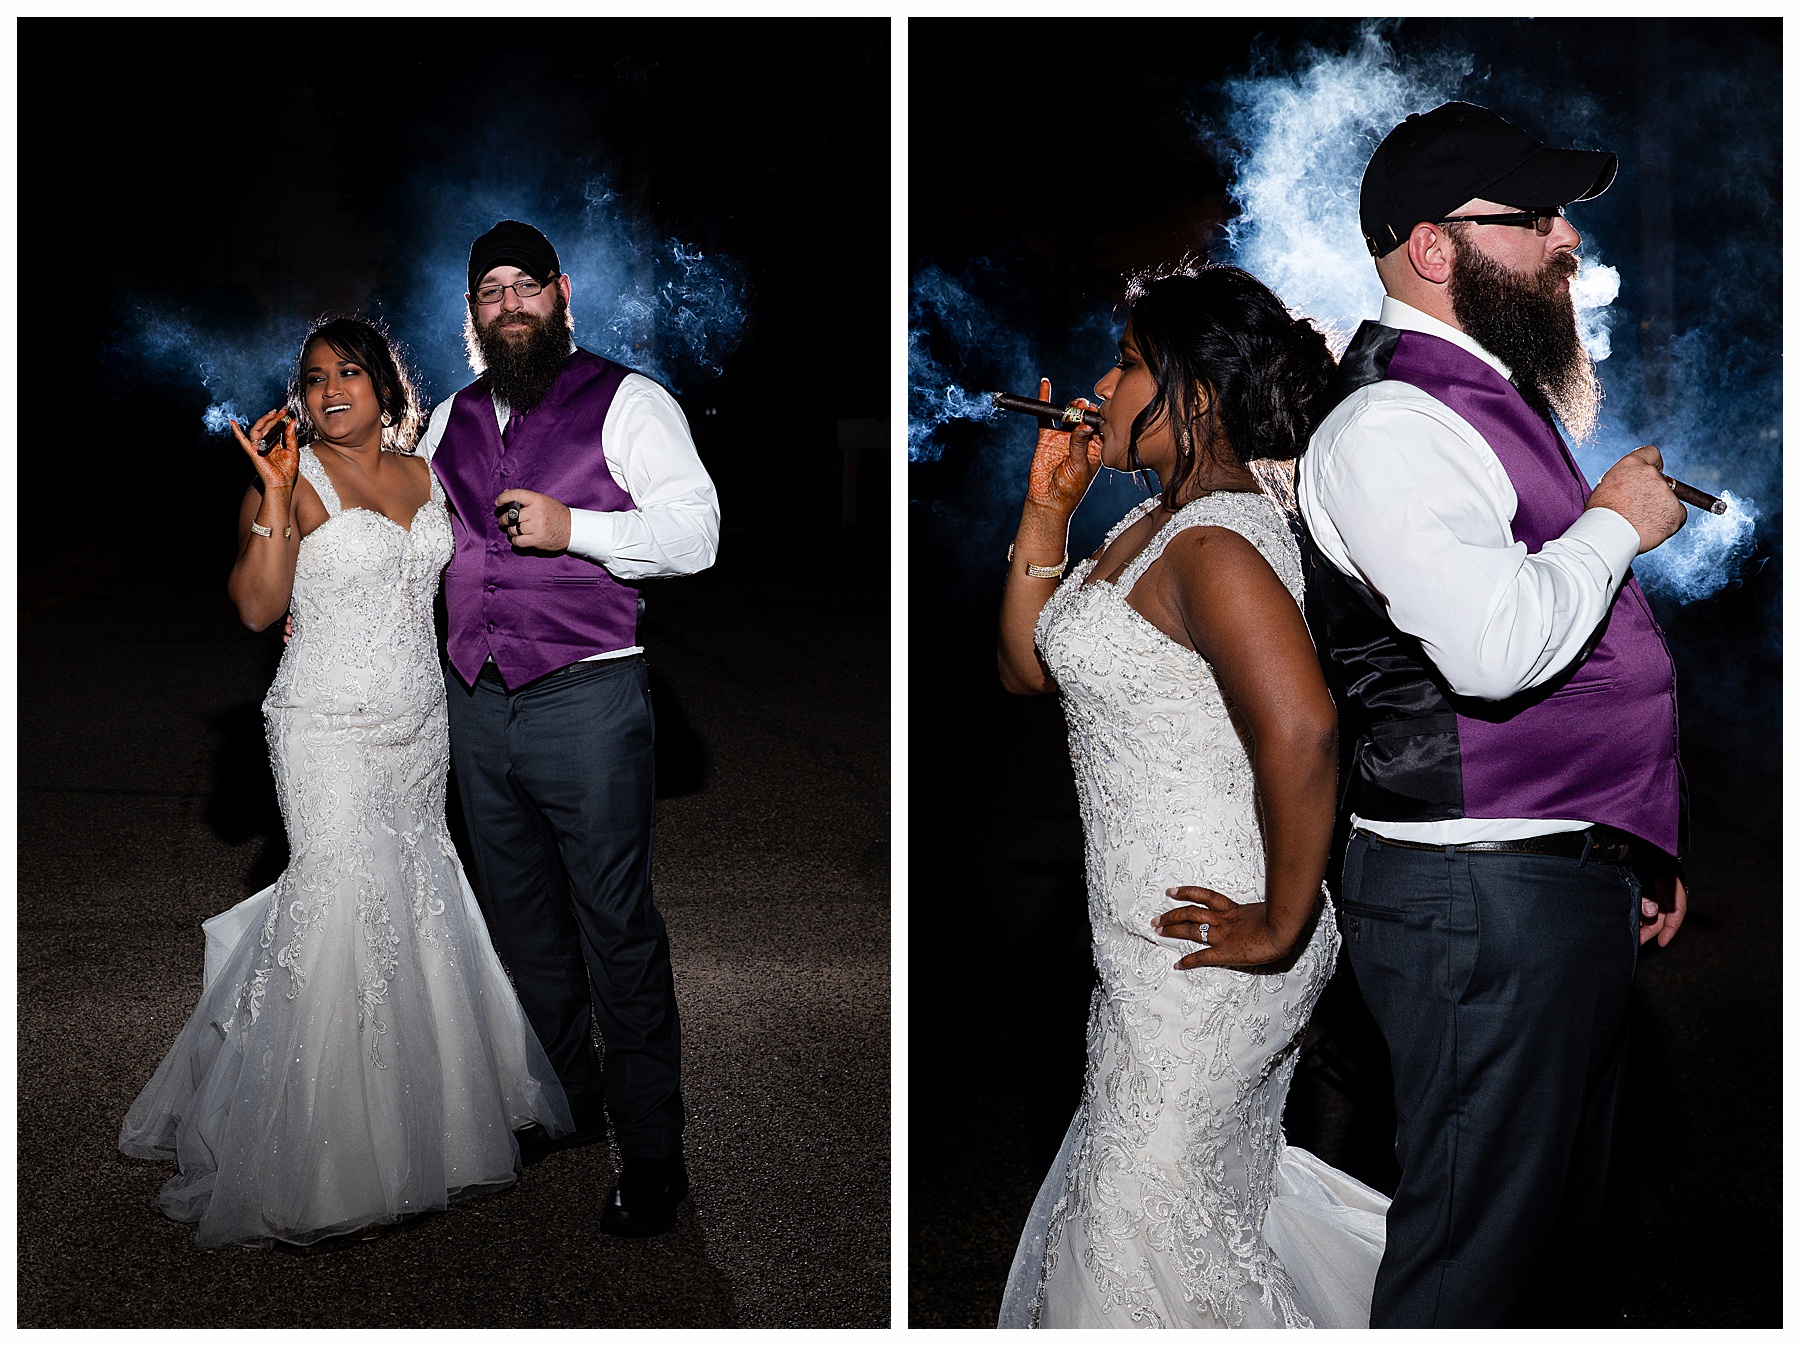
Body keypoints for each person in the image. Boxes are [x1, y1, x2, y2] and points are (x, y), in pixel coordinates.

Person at [1295, 102, 1689, 1327]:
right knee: (1474, 1265)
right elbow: (1497, 649)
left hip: (1539, 879)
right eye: (1533, 218)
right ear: (1433, 246)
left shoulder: (1476, 400)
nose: (1566, 239)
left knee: (1544, 1252)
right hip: (1479, 900)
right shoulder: (1388, 420)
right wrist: (1618, 518)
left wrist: (1623, 832)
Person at [119, 317, 573, 1249]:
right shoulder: (296, 478)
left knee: (413, 897)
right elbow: (257, 607)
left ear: (384, 387)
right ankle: (318, 1158)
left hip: (419, 726)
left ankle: (424, 1131)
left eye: (350, 373)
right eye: (315, 376)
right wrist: (275, 497)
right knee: (335, 902)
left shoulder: (424, 471)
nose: (331, 390)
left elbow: (471, 570)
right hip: (325, 724)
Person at [996, 263, 1390, 1329]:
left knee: (1137, 1219)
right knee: (1180, 1215)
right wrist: (1047, 512)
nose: (1102, 382)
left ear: (1197, 394)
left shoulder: (1216, 540)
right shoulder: (1155, 525)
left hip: (1210, 954)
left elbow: (1305, 731)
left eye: (1128, 362)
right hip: (1145, 953)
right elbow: (1029, 667)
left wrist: (1280, 922)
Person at [415, 220, 719, 1238]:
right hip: (476, 701)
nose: (508, 305)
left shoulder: (628, 399)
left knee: (616, 929)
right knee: (525, 929)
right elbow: (416, 542)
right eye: (489, 292)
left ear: (562, 292)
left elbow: (696, 531)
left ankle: (653, 1151)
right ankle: (563, 1100)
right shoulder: (449, 417)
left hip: (587, 698)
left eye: (524, 287)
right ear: (474, 312)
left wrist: (574, 527)